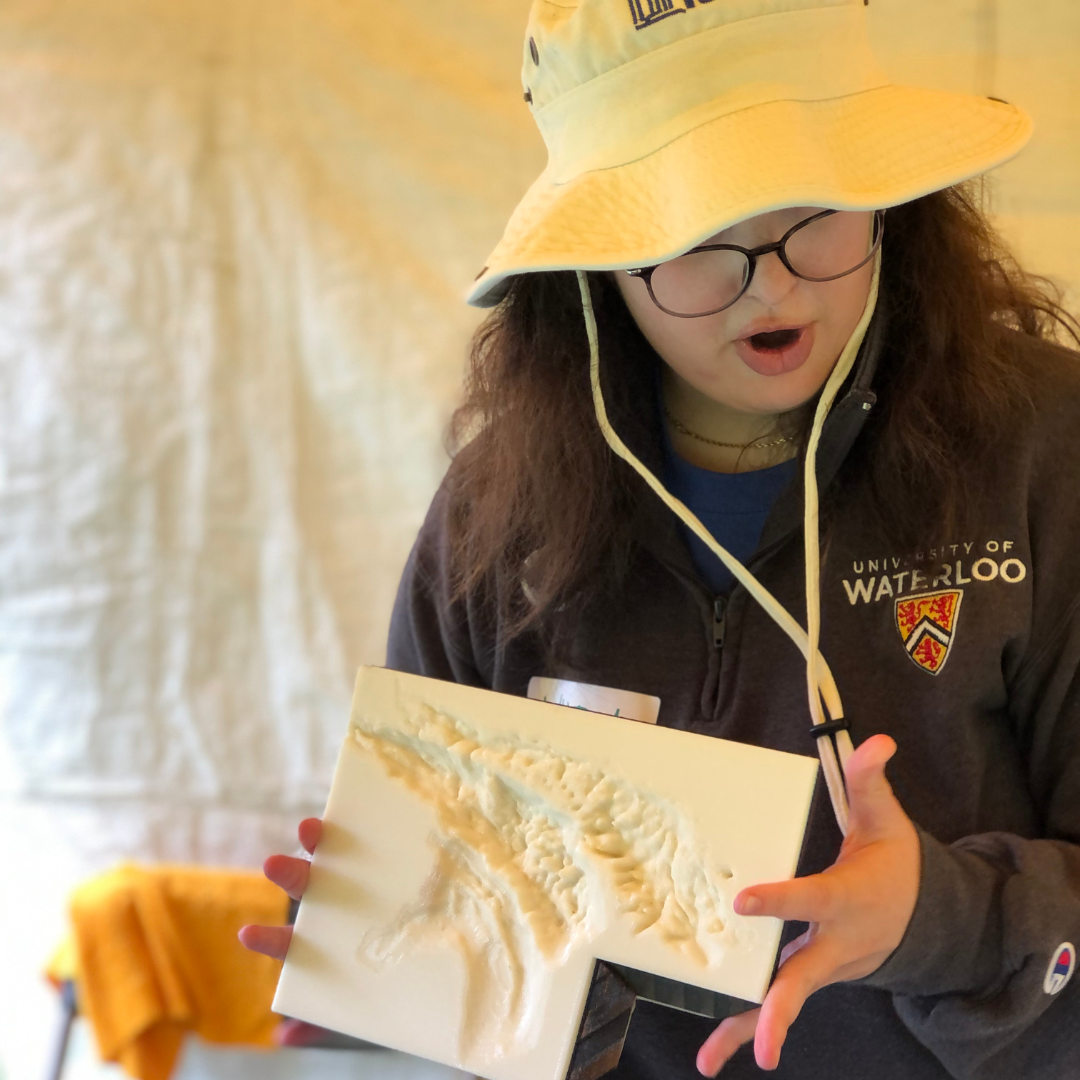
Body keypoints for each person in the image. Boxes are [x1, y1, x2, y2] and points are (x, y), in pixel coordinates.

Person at [240, 1, 1080, 1076]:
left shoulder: (1045, 451)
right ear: (594, 264)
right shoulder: (501, 513)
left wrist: (939, 919)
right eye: (691, 240)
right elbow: (499, 968)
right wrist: (423, 977)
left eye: (815, 209)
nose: (770, 283)